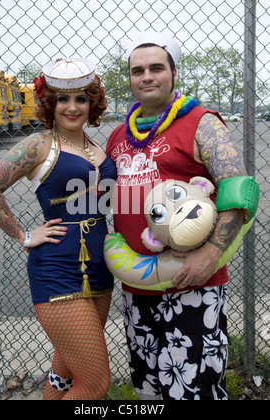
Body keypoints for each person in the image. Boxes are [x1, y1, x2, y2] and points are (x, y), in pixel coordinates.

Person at [106, 31, 257, 400]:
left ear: (174, 73)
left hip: (193, 280)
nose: (146, 76)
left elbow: (239, 191)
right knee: (149, 387)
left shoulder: (202, 123)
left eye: (157, 68)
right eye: (137, 70)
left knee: (194, 387)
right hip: (137, 283)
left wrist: (210, 254)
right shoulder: (117, 137)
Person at [0, 57, 117, 400]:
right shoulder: (38, 145)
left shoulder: (99, 147)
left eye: (81, 98)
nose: (72, 107)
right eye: (62, 99)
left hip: (100, 268)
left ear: (92, 103)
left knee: (65, 371)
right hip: (57, 269)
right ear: (49, 103)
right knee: (95, 384)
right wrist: (24, 235)